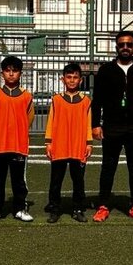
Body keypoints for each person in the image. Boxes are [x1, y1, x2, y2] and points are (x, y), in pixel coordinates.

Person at [91, 31, 133, 222]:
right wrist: (96, 124)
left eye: (129, 44)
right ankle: (103, 205)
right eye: (122, 45)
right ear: (116, 47)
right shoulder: (106, 70)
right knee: (108, 167)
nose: (125, 48)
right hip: (112, 127)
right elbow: (97, 100)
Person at [0, 55, 35, 222]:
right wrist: (0, 131)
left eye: (15, 71)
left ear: (20, 74)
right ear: (2, 73)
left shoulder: (27, 96)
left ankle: (20, 208)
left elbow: (29, 118)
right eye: (8, 70)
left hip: (18, 145)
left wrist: (17, 131)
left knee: (19, 180)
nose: (11, 74)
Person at [45, 63, 93, 223]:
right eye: (69, 77)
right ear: (63, 79)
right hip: (59, 146)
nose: (72, 80)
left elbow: (88, 123)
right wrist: (49, 143)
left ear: (80, 80)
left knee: (78, 181)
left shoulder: (86, 101)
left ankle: (78, 208)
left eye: (75, 77)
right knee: (55, 180)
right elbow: (51, 121)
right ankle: (54, 208)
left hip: (78, 147)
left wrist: (89, 143)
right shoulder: (56, 100)